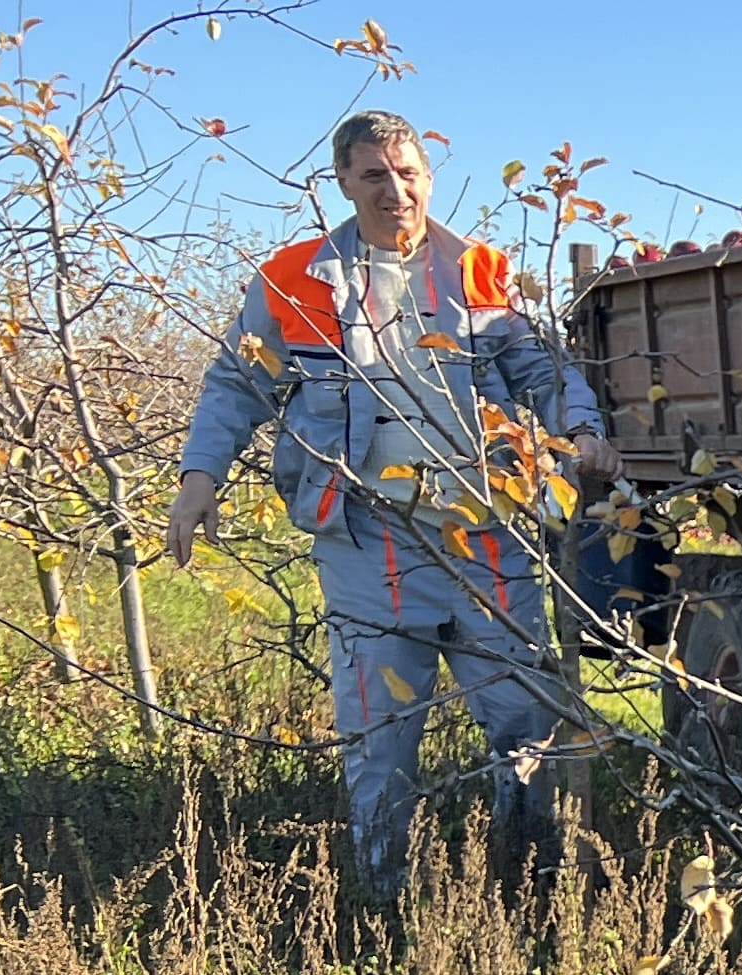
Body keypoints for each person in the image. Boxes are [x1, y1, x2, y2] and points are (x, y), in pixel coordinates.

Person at [169, 110, 616, 900]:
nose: (395, 190)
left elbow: (542, 369)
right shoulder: (293, 280)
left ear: (428, 178)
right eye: (375, 174)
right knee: (380, 734)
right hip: (369, 532)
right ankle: (385, 906)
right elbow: (238, 383)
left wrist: (579, 430)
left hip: (486, 529)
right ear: (342, 181)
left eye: (407, 173)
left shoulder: (480, 270)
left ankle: (533, 885)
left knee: (526, 719)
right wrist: (200, 476)